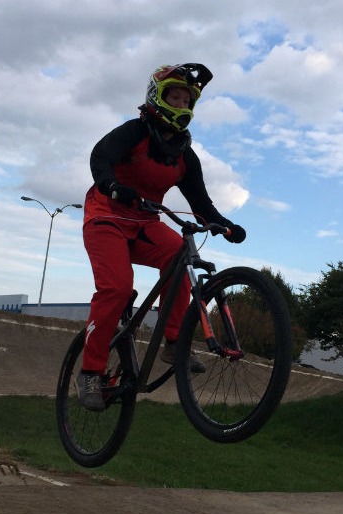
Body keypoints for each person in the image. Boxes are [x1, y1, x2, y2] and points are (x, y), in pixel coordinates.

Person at [78, 63, 246, 410]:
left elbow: (201, 203)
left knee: (179, 256)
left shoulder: (184, 155)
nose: (181, 103)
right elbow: (101, 157)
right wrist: (112, 186)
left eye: (187, 100)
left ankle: (174, 343)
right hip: (106, 216)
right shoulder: (134, 132)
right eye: (175, 96)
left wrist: (225, 225)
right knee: (117, 288)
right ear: (159, 96)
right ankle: (90, 372)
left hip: (144, 223)